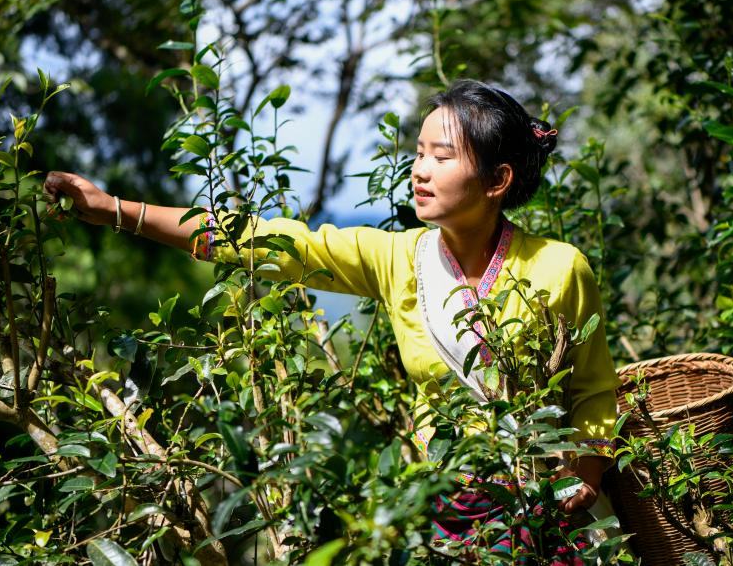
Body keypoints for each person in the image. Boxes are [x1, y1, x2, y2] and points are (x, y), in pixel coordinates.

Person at [43, 79, 620, 563]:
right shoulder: (399, 259)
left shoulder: (558, 268)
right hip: (447, 511)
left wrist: (587, 474)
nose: (420, 170)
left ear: (497, 181)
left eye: (442, 157)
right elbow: (271, 242)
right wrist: (116, 210)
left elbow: (594, 389)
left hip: (544, 510)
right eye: (419, 153)